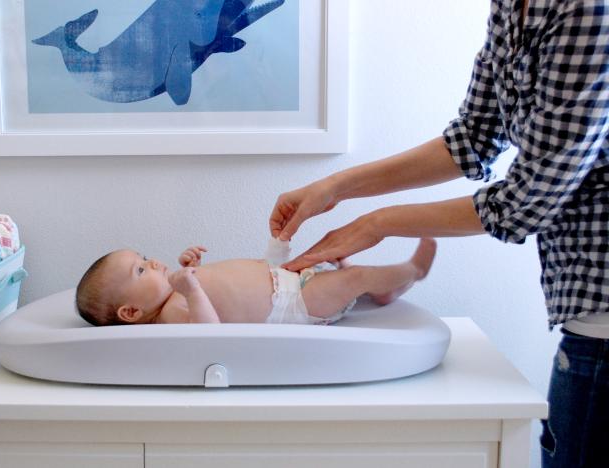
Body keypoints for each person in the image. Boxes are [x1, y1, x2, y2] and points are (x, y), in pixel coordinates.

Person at [269, 1, 608, 467]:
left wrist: (376, 223)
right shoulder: (511, 7)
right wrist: (334, 188)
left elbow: (529, 201)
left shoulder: (589, 10)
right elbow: (472, 138)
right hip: (586, 309)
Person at [75, 239, 436, 326]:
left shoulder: (174, 290)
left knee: (341, 272)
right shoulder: (169, 313)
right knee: (352, 278)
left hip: (290, 280)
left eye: (142, 258)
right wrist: (193, 289)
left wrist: (196, 270)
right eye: (140, 271)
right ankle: (409, 271)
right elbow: (209, 332)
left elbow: (223, 286)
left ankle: (383, 289)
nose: (152, 262)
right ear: (131, 311)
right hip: (294, 305)